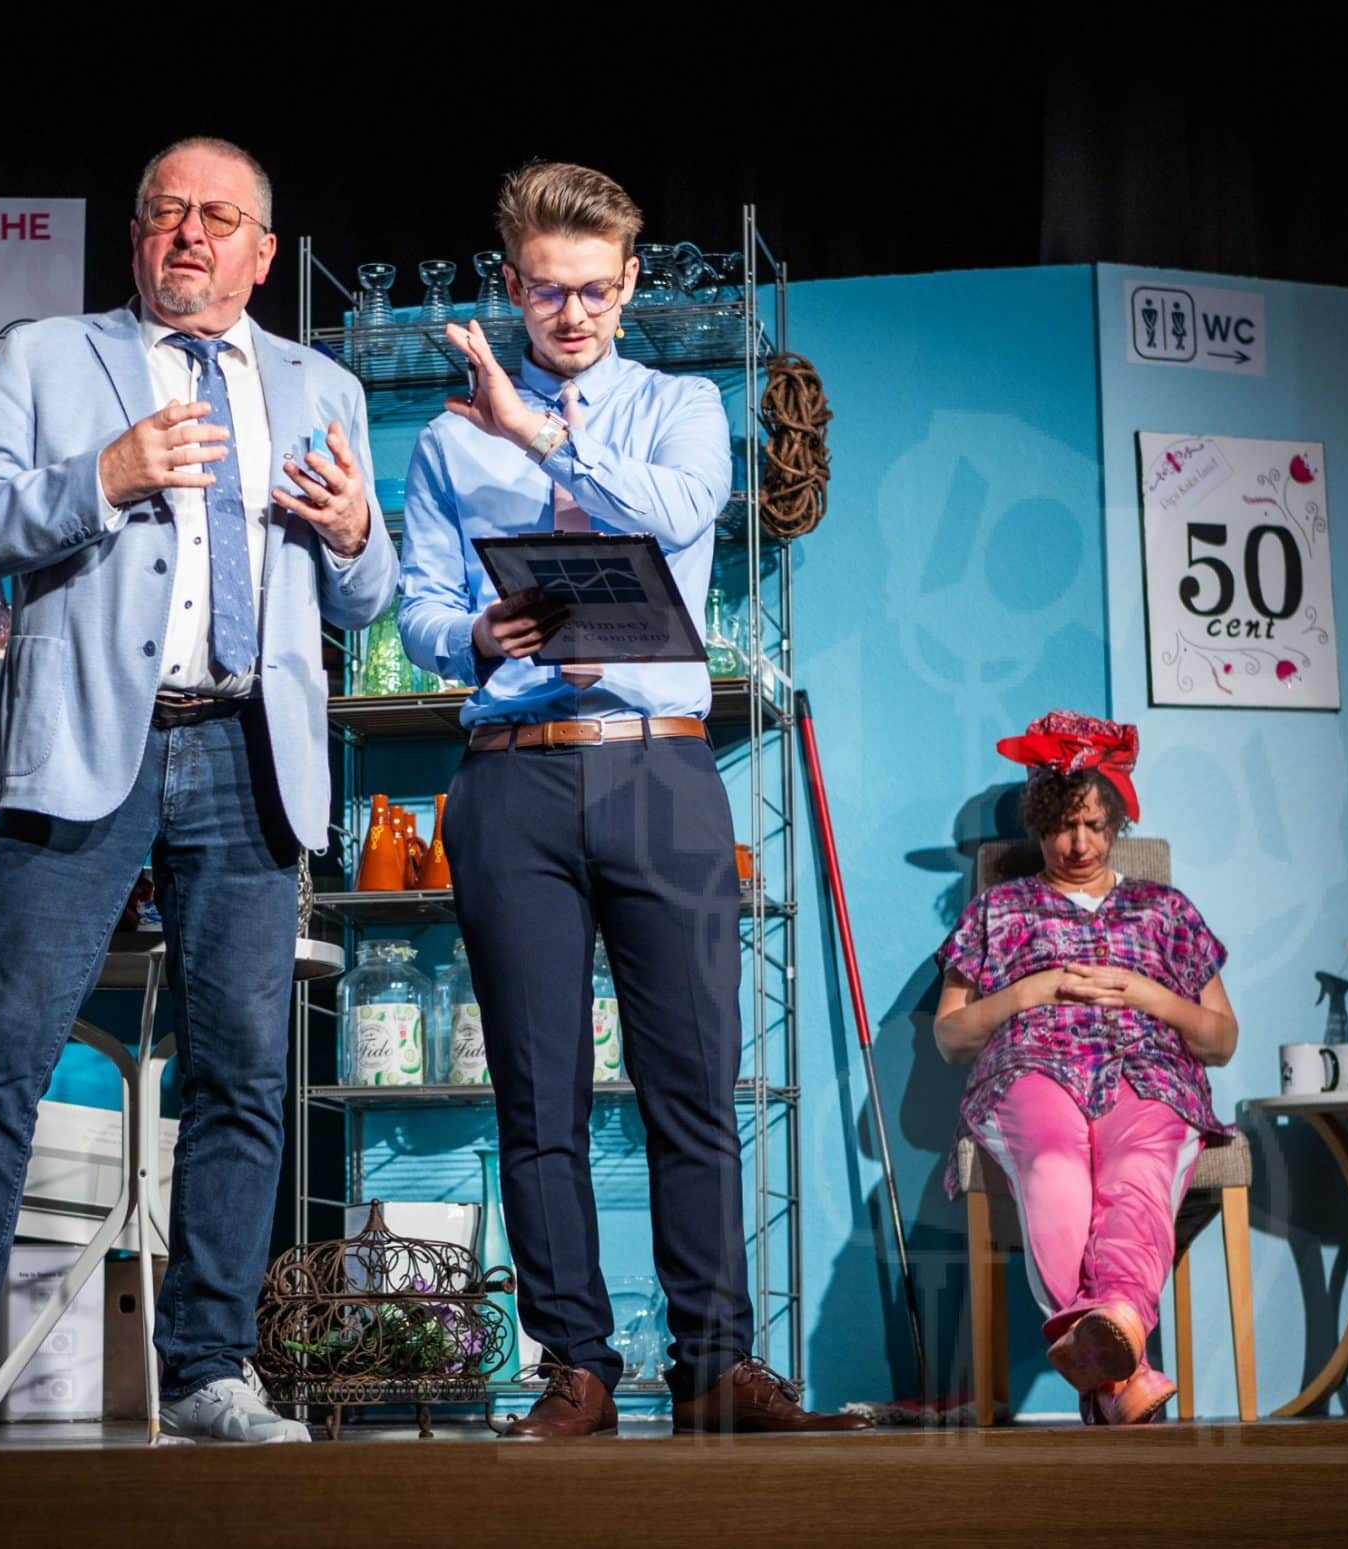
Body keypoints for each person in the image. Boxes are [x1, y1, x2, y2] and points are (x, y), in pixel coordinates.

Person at [0, 137, 398, 1448]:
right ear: (136, 238)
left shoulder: (321, 385)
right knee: (2, 1060)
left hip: (247, 755)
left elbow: (365, 598)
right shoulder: (50, 358)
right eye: (164, 214)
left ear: (262, 251)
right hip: (90, 748)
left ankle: (207, 1370)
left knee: (243, 1077)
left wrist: (352, 532)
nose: (188, 234)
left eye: (217, 217)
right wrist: (100, 478)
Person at [398, 160, 869, 1438]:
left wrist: (538, 434)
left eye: (597, 291)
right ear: (512, 284)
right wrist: (472, 636)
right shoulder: (443, 442)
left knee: (692, 1080)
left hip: (659, 767)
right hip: (511, 773)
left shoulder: (679, 408)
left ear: (631, 283)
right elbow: (421, 608)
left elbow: (677, 509)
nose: (573, 315)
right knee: (535, 1090)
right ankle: (579, 1367)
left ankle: (715, 1366)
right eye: (549, 291)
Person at [932, 710, 1239, 1425]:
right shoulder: (1000, 910)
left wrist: (1148, 994)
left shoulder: (1165, 910)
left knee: (1137, 1176)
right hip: (1032, 1069)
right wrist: (1029, 991)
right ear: (1040, 825)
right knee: (1056, 1177)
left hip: (1151, 1072)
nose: (1078, 844)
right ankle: (1121, 1370)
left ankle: (1109, 1374)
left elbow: (1221, 1038)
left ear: (1116, 825)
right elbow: (950, 1037)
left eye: (1095, 826)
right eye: (1063, 826)